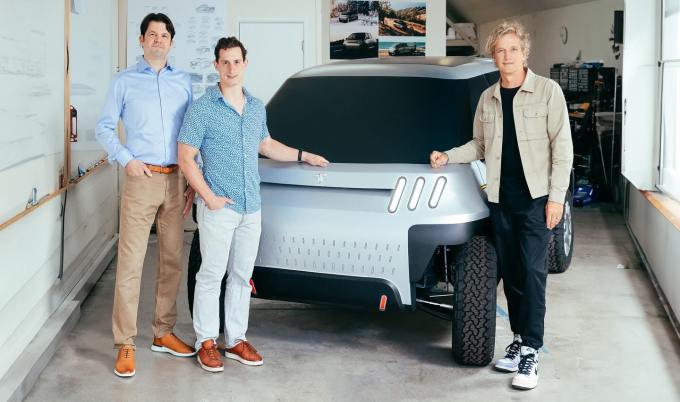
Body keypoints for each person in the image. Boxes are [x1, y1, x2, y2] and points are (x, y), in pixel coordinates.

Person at [430, 21, 573, 390]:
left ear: (524, 52)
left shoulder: (547, 91)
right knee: (511, 275)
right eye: (500, 51)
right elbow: (478, 145)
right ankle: (519, 341)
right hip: (500, 200)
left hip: (536, 200)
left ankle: (532, 352)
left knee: (533, 274)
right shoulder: (488, 98)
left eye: (513, 49)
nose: (506, 57)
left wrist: (556, 197)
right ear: (493, 56)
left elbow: (563, 149)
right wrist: (447, 155)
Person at [177, 37, 329, 373]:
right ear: (216, 65)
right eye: (225, 62)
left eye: (236, 61)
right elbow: (185, 158)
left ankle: (234, 340)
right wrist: (209, 198)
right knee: (211, 275)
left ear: (245, 64)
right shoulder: (202, 109)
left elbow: (267, 145)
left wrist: (305, 156)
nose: (231, 68)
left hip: (251, 206)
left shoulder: (257, 106)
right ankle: (206, 341)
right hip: (220, 206)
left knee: (242, 277)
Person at [95, 13, 196, 378]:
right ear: (141, 41)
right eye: (151, 34)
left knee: (171, 260)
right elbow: (104, 127)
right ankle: (125, 341)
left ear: (171, 42)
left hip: (175, 181)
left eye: (164, 35)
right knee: (132, 262)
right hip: (141, 178)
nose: (158, 39)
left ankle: (163, 332)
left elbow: (192, 135)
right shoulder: (124, 82)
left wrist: (191, 183)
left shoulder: (184, 83)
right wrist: (126, 159)